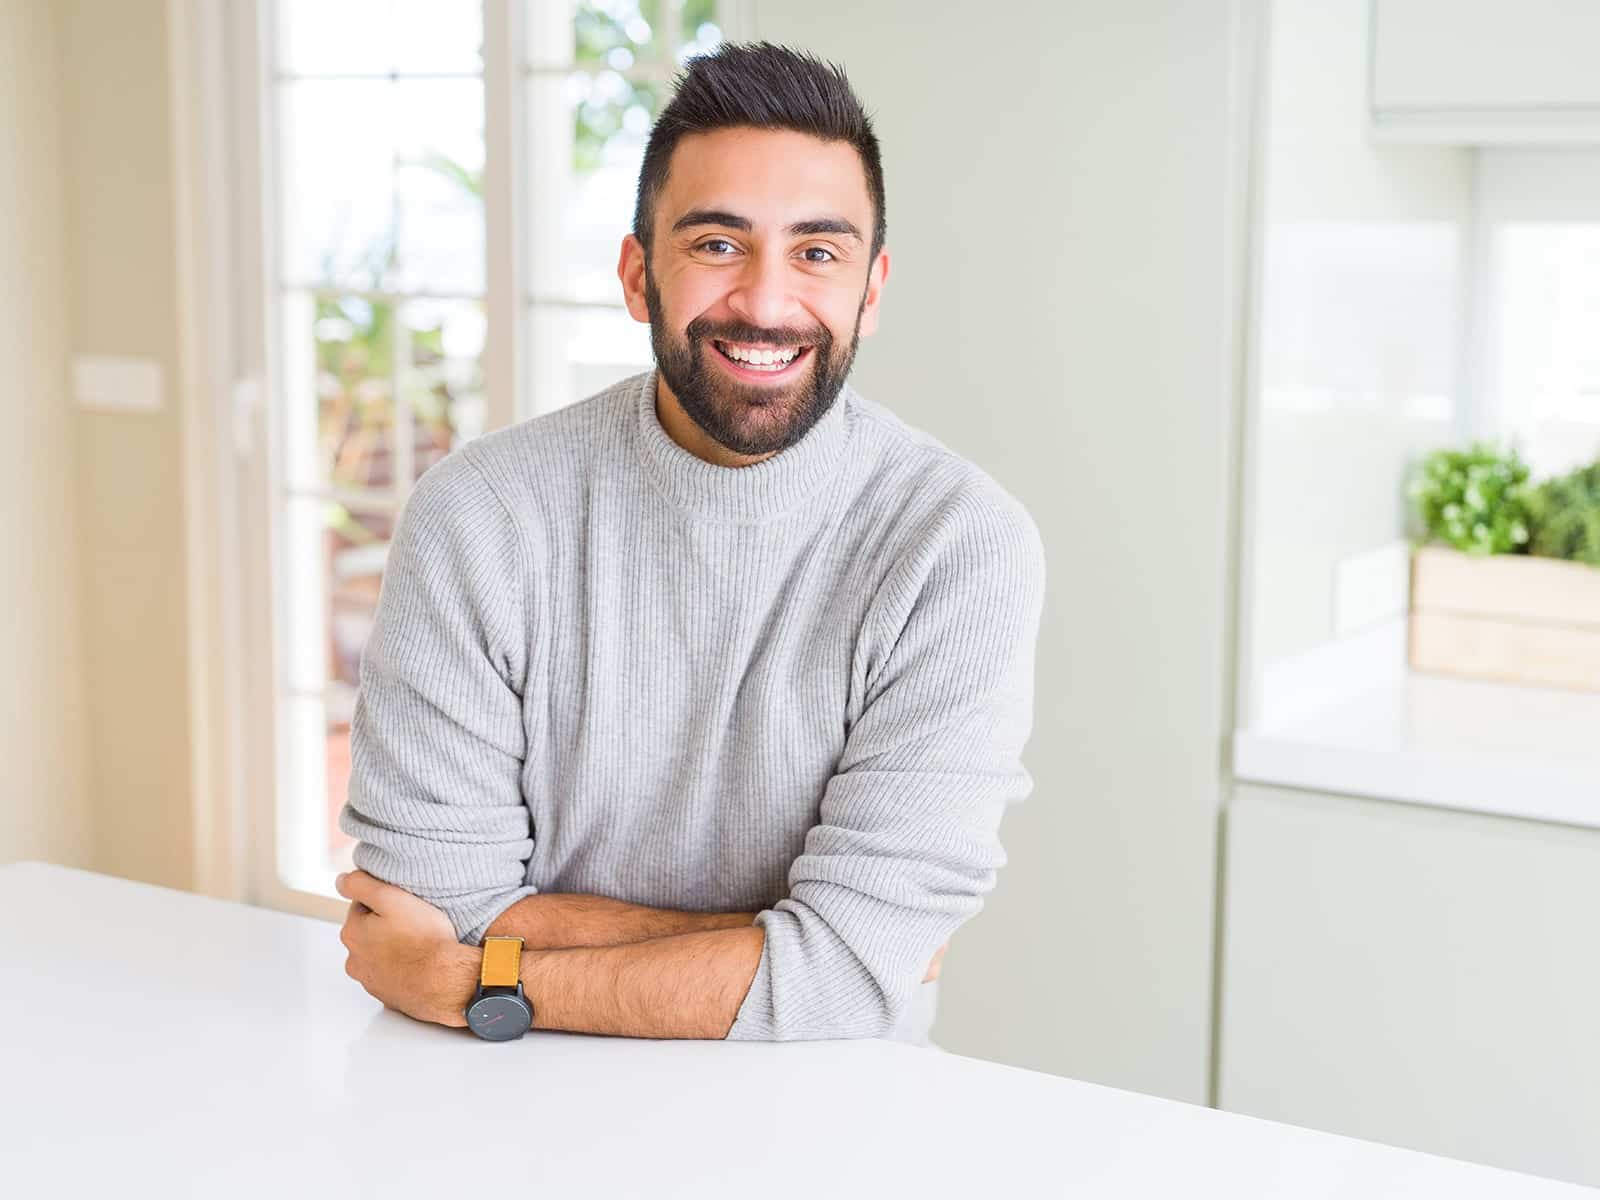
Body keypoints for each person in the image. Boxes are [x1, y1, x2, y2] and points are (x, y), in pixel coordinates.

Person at [334, 41, 1046, 1047]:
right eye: (717, 244)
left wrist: (478, 979)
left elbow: (848, 975)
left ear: (870, 290)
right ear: (638, 275)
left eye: (817, 251)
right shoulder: (482, 513)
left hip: (826, 1117)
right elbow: (428, 907)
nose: (764, 300)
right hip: (498, 1103)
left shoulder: (958, 547)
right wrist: (805, 952)